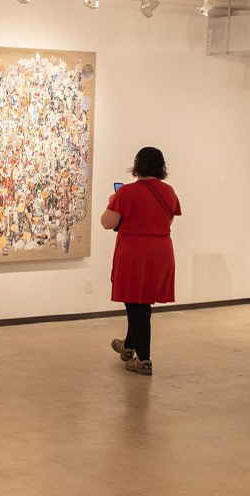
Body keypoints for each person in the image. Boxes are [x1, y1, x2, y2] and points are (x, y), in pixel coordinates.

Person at [101, 147, 182, 376]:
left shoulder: (126, 193)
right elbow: (166, 222)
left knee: (136, 303)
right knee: (139, 299)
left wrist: (112, 202)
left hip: (134, 252)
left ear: (137, 165)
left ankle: (144, 359)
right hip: (162, 251)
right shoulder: (169, 192)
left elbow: (107, 223)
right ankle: (128, 347)